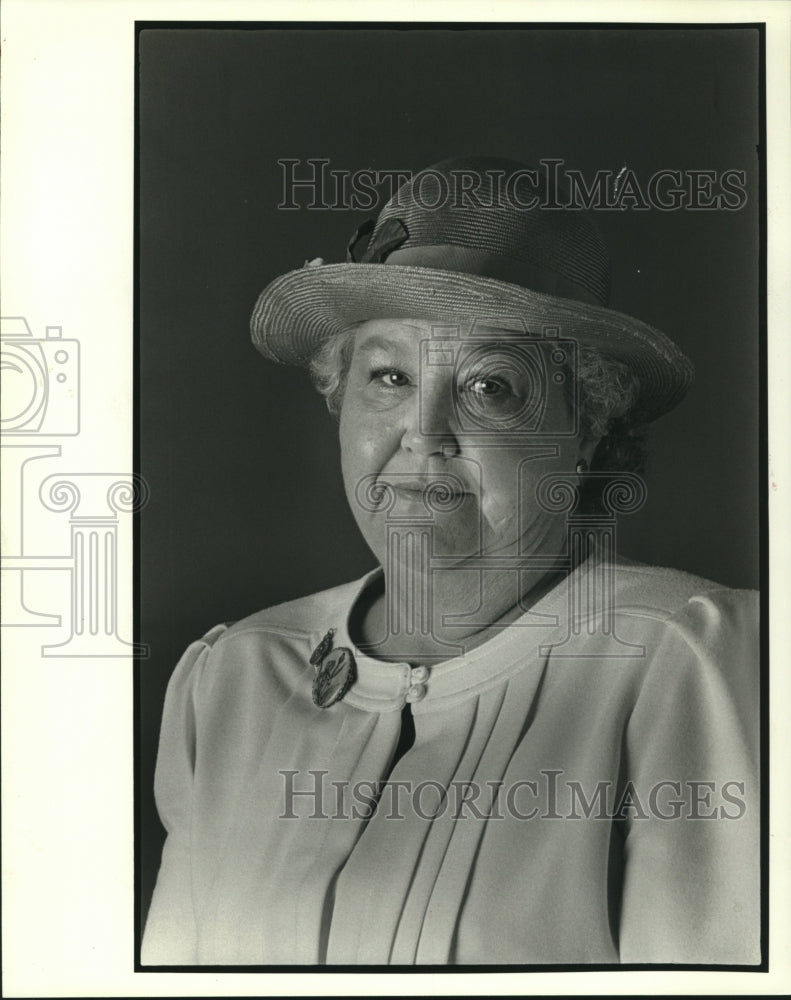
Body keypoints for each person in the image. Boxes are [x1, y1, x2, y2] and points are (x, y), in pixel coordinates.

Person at [141, 157, 759, 966]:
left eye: (489, 387)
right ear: (340, 402)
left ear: (585, 423)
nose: (423, 433)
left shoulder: (689, 659)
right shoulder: (234, 680)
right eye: (389, 377)